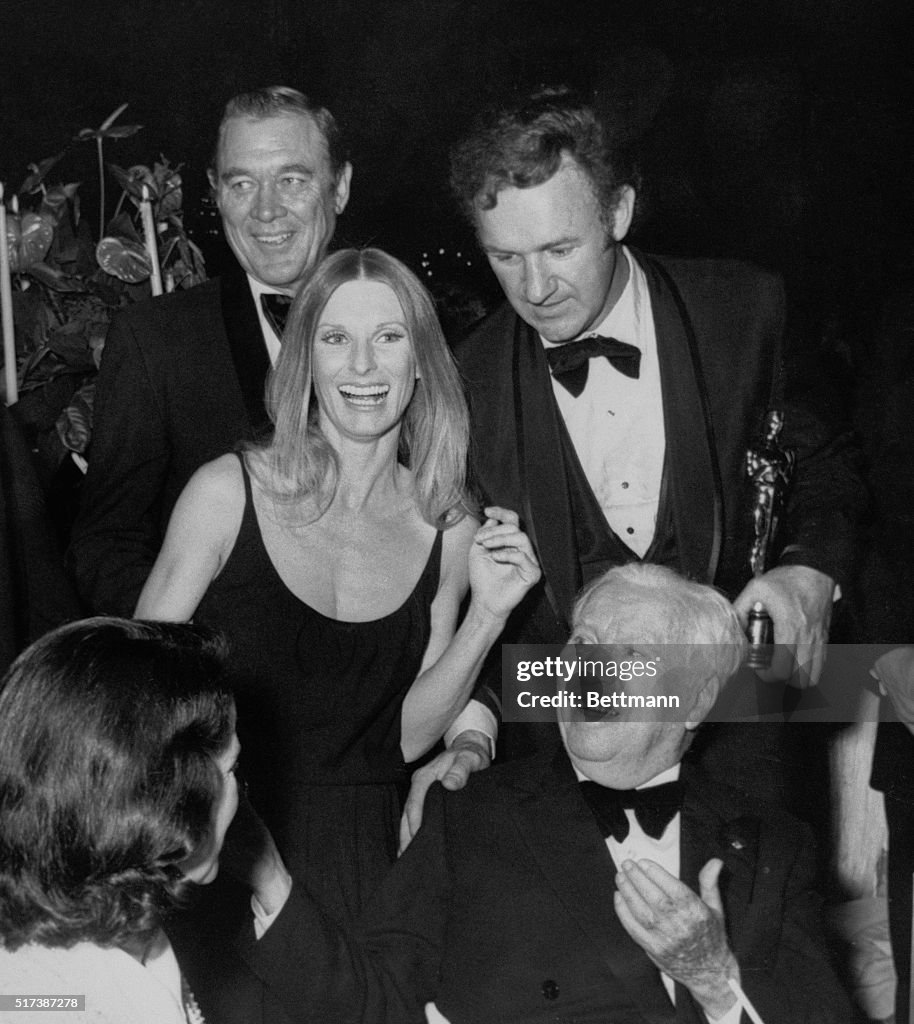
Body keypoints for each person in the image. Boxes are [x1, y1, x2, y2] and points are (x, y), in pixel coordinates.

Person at [398, 86, 863, 822]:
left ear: (618, 211)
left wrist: (809, 569)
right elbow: (481, 610)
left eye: (559, 248)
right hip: (559, 756)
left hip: (745, 733)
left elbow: (829, 464)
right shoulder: (465, 382)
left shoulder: (746, 311)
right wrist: (474, 739)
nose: (536, 287)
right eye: (506, 258)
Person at [238, 563, 853, 1023]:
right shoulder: (472, 813)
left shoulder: (774, 843)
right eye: (582, 646)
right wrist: (267, 876)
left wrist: (717, 981)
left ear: (694, 700)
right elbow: (370, 999)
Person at [135, 247, 540, 930]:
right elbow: (136, 701)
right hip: (226, 851)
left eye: (388, 338)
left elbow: (407, 741)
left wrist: (488, 619)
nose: (361, 366)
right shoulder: (225, 494)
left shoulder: (451, 525)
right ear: (304, 361)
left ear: (421, 362)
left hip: (374, 862)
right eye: (335, 339)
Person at [68, 85, 353, 617]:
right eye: (242, 183)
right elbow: (107, 545)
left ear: (339, 188)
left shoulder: (407, 328)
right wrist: (189, 659)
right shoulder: (155, 342)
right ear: (216, 193)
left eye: (292, 180)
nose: (266, 210)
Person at [0, 617, 241, 1024]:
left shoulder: (122, 941)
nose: (240, 797)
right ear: (171, 800)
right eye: (233, 769)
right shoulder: (41, 996)